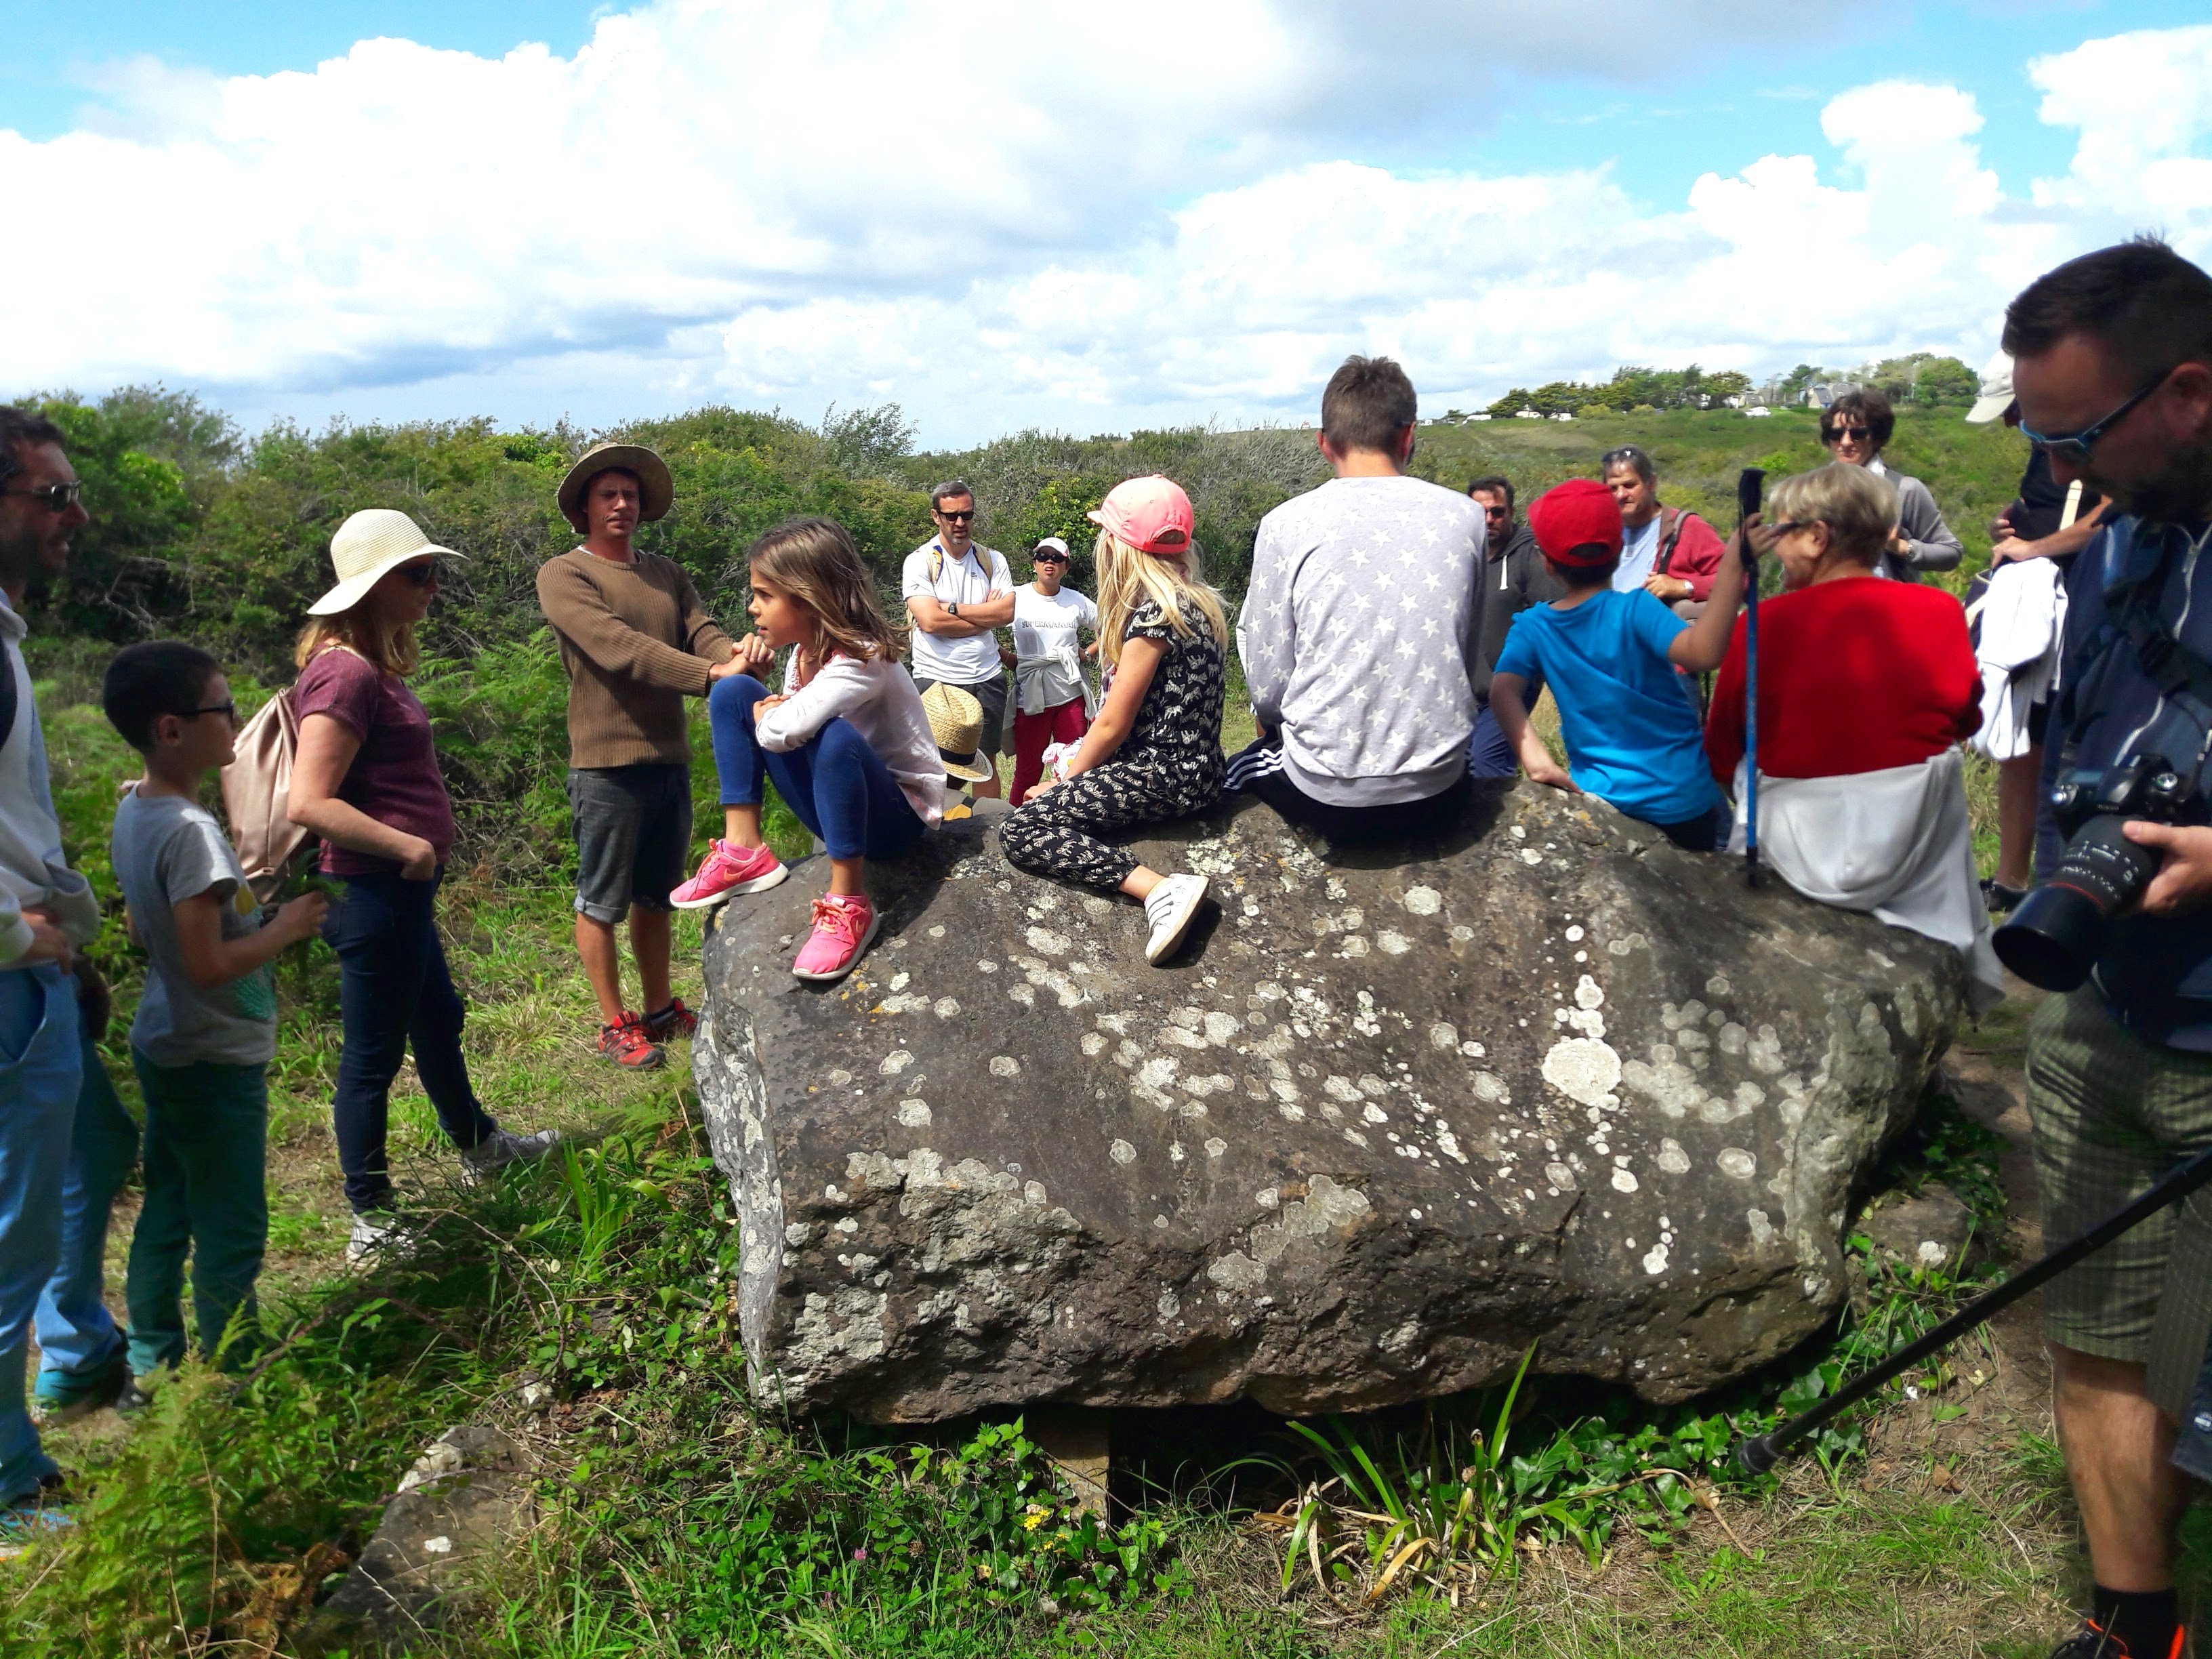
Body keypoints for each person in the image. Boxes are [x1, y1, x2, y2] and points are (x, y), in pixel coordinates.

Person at [2003, 238, 2212, 1659]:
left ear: (2190, 391)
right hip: (2107, 1007)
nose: (2057, 468)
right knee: (2100, 1317)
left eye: (2078, 435)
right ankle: (2134, 1624)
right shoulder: (2127, 534)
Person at [289, 510, 559, 1262]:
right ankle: (369, 1216)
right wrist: (407, 845)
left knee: (437, 1017)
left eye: (432, 571)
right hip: (372, 891)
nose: (433, 586)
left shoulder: (372, 666)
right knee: (371, 1056)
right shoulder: (343, 670)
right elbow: (307, 801)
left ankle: (478, 1145)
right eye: (418, 574)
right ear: (372, 588)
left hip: (399, 892)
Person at [102, 644, 327, 1400]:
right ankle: (237, 1369)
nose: (236, 720)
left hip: (165, 1043)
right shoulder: (193, 832)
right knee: (230, 1222)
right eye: (223, 709)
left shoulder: (136, 809)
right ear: (172, 729)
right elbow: (207, 965)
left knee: (166, 1204)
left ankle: (153, 1362)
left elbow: (144, 930)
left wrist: (245, 917)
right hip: (214, 1053)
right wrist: (287, 926)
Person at [1702, 464, 2001, 1006]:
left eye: (1781, 531)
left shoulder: (1763, 624)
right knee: (1943, 759)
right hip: (1918, 839)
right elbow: (1966, 718)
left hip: (1792, 839)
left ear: (1816, 538)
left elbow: (1724, 748)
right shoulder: (1938, 609)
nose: (1776, 545)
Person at [537, 443, 741, 1071]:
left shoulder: (666, 572)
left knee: (657, 894)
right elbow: (617, 647)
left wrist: (738, 660)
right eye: (608, 495)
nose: (621, 504)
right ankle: (612, 1022)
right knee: (601, 898)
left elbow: (700, 628)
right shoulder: (565, 575)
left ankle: (658, 1008)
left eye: (629, 494)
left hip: (666, 755)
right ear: (586, 507)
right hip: (605, 763)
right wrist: (713, 676)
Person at [669, 518, 943, 983]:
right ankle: (743, 849)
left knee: (834, 736)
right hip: (838, 803)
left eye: (764, 595)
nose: (753, 609)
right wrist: (769, 707)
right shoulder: (804, 654)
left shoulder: (863, 657)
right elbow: (783, 722)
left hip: (896, 820)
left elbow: (783, 731)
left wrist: (774, 715)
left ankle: (848, 903)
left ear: (808, 596)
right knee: (733, 690)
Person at [1228, 356, 1486, 840]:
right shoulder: (1467, 516)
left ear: (1324, 443)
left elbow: (1268, 683)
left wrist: (1273, 722)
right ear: (1409, 436)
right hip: (1441, 789)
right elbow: (1467, 657)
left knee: (1227, 778)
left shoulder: (1285, 523)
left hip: (1325, 793)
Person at [0, 409, 109, 1535]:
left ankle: (74, 1357)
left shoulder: (8, 635)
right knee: (9, 1233)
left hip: (33, 975)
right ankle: (10, 1480)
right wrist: (15, 935)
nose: (74, 515)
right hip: (5, 980)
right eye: (51, 495)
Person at [1001, 476, 1223, 965]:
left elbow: (1111, 726)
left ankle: (1160, 889)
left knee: (1023, 831)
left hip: (1161, 776)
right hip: (1200, 773)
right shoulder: (1199, 605)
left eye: (1106, 534)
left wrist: (1064, 785)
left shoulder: (1155, 618)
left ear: (1121, 547)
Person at [1490, 478, 1746, 849]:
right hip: (1681, 798)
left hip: (1601, 800)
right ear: (1617, 550)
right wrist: (1733, 569)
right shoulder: (1636, 609)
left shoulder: (1534, 627)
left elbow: (1503, 691)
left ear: (1546, 563)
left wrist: (1537, 761)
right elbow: (1704, 654)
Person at [1965, 350, 2110, 910]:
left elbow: (2111, 512)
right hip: (2038, 609)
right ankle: (2011, 880)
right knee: (2019, 743)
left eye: (2011, 407)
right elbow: (2050, 503)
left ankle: (2064, 885)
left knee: (2066, 748)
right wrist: (2009, 521)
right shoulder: (2043, 443)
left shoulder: (2089, 436)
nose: (2006, 420)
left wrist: (2035, 547)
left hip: (2077, 607)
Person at [903, 482, 1015, 800]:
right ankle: (933, 835)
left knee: (986, 763)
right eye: (951, 516)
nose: (960, 523)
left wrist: (953, 609)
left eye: (967, 515)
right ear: (935, 516)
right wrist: (983, 617)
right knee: (933, 765)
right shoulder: (920, 561)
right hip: (936, 680)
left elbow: (1005, 613)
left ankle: (991, 834)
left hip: (987, 677)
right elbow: (929, 621)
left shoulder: (992, 559)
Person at [1465, 475, 1560, 779]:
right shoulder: (1464, 556)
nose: (1489, 519)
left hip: (1510, 688)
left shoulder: (1529, 554)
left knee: (1487, 765)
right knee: (1455, 768)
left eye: (1497, 512)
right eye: (1480, 512)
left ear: (1511, 512)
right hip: (1464, 690)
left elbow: (1551, 617)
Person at [1818, 389, 1963, 581]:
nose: (1845, 442)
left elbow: (1951, 553)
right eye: (1836, 434)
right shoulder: (1813, 490)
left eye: (1858, 434)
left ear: (1877, 437)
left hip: (1888, 607)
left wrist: (1901, 547)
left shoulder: (1904, 490)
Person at [1009, 536, 1097, 806]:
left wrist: (1088, 653)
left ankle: (1069, 818)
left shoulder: (1076, 600)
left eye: (1057, 558)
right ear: (1034, 563)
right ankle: (1013, 821)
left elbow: (1111, 626)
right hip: (1032, 698)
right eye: (1043, 556)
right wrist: (1008, 659)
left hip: (1069, 696)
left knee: (1073, 765)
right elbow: (983, 627)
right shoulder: (1015, 597)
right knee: (1028, 769)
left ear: (1066, 567)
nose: (1050, 562)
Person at [1600, 446, 1726, 609]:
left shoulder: (1686, 527)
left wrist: (1683, 586)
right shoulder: (1603, 531)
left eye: (1629, 485)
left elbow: (1736, 580)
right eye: (1613, 488)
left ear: (1651, 484)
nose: (1621, 495)